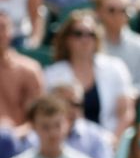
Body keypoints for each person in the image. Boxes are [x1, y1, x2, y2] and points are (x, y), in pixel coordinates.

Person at [43, 10, 134, 141]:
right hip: (65, 141)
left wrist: (114, 141)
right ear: (67, 39)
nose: (85, 39)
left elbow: (126, 112)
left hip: (110, 141)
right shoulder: (51, 75)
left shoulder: (115, 68)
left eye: (90, 34)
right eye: (78, 34)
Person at [94, 0, 140, 92]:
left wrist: (128, 95)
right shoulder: (88, 44)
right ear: (99, 13)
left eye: (123, 10)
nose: (118, 15)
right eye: (111, 10)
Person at [0, 12, 43, 128]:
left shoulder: (29, 69)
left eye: (2, 28)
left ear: (11, 32)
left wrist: (15, 136)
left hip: (21, 140)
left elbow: (37, 117)